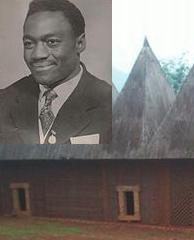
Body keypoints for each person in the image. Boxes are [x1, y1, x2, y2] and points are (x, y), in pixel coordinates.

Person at [0, 0, 111, 144]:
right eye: (29, 44)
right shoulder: (5, 101)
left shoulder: (112, 104)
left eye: (52, 42)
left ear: (80, 43)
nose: (37, 55)